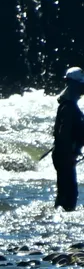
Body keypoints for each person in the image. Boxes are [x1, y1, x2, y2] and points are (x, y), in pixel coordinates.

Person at [53, 66, 84, 211]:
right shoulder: (69, 107)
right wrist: (70, 154)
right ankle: (59, 219)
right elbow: (63, 134)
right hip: (65, 155)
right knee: (69, 194)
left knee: (65, 192)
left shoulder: (67, 105)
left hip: (63, 154)